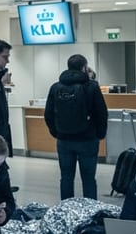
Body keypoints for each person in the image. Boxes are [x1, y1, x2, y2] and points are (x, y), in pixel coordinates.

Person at [43, 54, 109, 200]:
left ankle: (66, 208)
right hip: (88, 139)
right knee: (88, 179)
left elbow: (48, 114)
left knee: (66, 178)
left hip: (64, 140)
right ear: (84, 67)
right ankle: (90, 209)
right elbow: (101, 113)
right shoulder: (91, 86)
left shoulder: (55, 87)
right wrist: (100, 134)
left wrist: (56, 132)